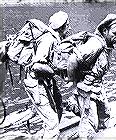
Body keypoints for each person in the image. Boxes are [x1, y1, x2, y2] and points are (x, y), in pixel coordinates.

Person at [66, 13, 116, 139]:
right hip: (87, 90)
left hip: (97, 87)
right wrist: (72, 82)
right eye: (115, 34)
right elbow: (72, 60)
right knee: (89, 124)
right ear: (105, 30)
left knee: (105, 115)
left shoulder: (106, 44)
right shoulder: (95, 44)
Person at [24, 11, 71, 139]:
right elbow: (36, 66)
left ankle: (47, 136)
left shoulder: (55, 38)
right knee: (52, 123)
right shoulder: (49, 39)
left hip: (46, 81)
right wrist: (54, 70)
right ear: (61, 27)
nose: (70, 27)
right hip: (36, 83)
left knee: (59, 106)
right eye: (68, 25)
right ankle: (51, 134)